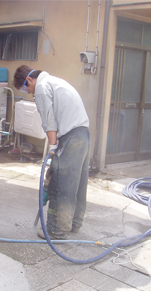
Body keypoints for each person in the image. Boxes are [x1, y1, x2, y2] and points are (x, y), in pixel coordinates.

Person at [13, 65, 90, 239]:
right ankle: (74, 223)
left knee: (61, 183)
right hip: (83, 133)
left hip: (70, 136)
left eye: (27, 88)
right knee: (77, 183)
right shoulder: (55, 81)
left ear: (30, 79)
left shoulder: (41, 87)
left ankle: (57, 230)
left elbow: (49, 121)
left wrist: (53, 147)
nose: (29, 92)